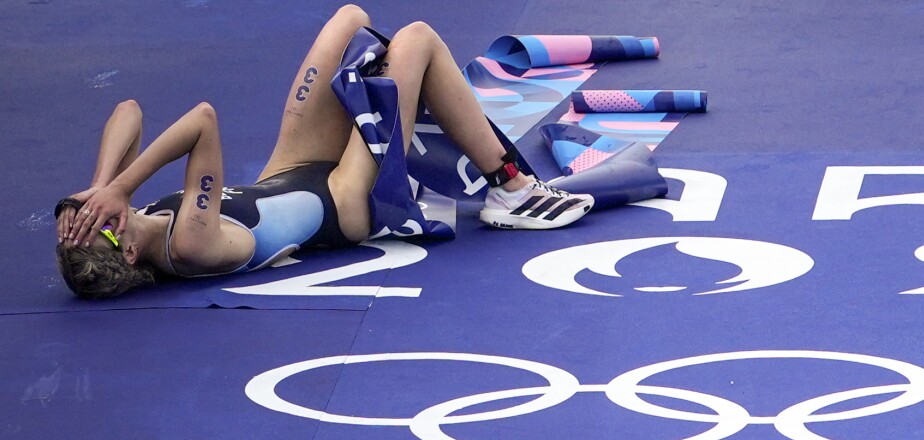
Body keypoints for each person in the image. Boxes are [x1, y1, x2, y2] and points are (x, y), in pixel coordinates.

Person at [55, 5, 592, 299]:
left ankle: (397, 101)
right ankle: (510, 187)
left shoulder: (127, 220)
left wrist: (101, 185)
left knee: (349, 20)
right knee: (417, 39)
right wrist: (121, 189)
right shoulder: (188, 244)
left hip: (286, 173)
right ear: (128, 255)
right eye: (102, 226)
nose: (102, 215)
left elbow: (127, 110)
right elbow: (203, 120)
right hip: (343, 201)